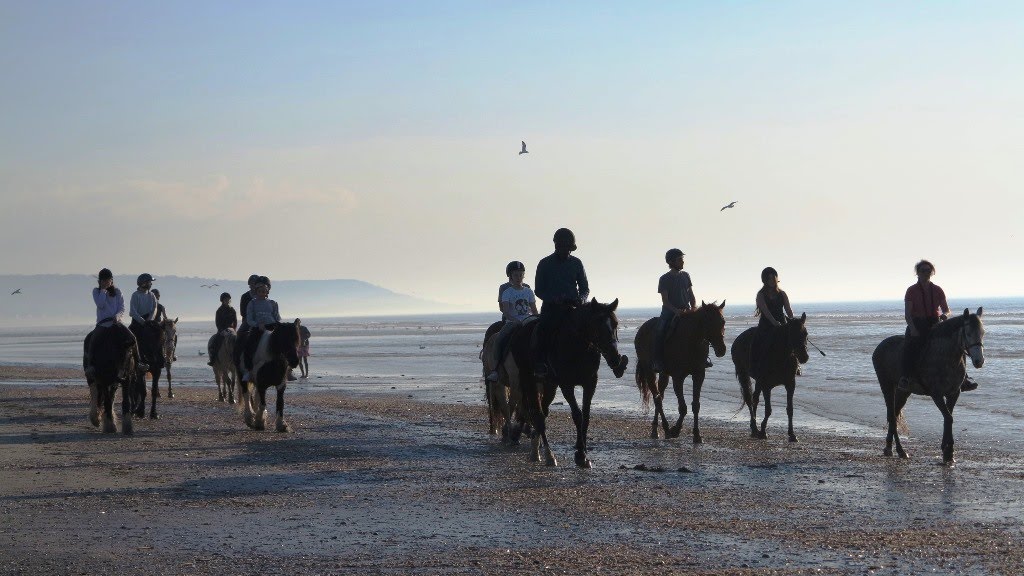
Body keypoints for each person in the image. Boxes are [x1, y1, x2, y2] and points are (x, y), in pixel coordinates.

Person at [533, 228, 627, 379]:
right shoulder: (545, 263)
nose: (567, 251)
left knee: (597, 329)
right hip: (552, 308)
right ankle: (540, 364)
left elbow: (584, 288)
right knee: (542, 329)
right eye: (565, 248)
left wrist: (582, 299)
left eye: (569, 249)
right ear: (557, 246)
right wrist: (554, 299)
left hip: (573, 307)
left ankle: (614, 364)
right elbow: (539, 290)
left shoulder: (576, 263)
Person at [898, 260, 978, 392]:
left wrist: (945, 315)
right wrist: (912, 329)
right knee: (909, 348)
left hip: (935, 323)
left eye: (928, 271)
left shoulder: (937, 289)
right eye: (923, 270)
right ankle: (905, 378)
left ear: (932, 273)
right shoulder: (911, 290)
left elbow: (946, 309)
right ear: (917, 273)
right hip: (917, 323)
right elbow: (907, 314)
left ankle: (964, 379)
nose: (926, 273)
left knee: (958, 345)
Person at [84, 268, 147, 379]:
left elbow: (122, 308)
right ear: (100, 281)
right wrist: (103, 290)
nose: (107, 282)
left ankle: (138, 362)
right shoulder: (96, 291)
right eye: (104, 281)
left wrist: (117, 317)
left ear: (112, 280)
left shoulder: (118, 292)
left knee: (132, 338)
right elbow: (100, 304)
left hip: (116, 323)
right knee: (91, 340)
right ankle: (90, 366)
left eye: (108, 280)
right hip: (102, 324)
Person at [486, 261, 538, 382]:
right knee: (500, 339)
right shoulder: (506, 290)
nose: (519, 277)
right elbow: (505, 311)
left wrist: (537, 318)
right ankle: (496, 369)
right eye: (516, 275)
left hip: (528, 320)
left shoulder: (528, 290)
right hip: (512, 321)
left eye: (521, 275)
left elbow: (534, 309)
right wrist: (516, 320)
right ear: (510, 276)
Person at [651, 248, 697, 372]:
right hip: (670, 311)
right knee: (660, 331)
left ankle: (703, 358)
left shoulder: (686, 275)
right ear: (672, 262)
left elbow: (691, 294)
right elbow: (665, 301)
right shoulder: (664, 279)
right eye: (680, 259)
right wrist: (676, 311)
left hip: (686, 310)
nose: (683, 262)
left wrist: (693, 307)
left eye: (682, 259)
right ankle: (657, 361)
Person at [750, 267, 794, 380]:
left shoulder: (782, 294)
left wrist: (793, 321)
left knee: (794, 341)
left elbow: (788, 310)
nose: (771, 280)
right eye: (769, 278)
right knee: (758, 343)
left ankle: (795, 366)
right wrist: (774, 323)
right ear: (765, 280)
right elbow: (766, 312)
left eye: (773, 278)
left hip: (782, 324)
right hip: (766, 325)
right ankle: (755, 366)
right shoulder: (760, 295)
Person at [242, 281, 281, 381]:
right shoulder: (252, 303)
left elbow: (277, 317)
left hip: (271, 326)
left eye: (264, 291)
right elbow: (249, 319)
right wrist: (257, 325)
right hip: (258, 328)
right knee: (248, 347)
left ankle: (288, 370)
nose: (262, 293)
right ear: (256, 292)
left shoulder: (273, 303)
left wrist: (277, 325)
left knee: (284, 344)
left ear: (267, 292)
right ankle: (248, 371)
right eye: (260, 291)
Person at [207, 292, 237, 366]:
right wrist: (222, 331)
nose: (227, 301)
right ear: (222, 300)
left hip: (231, 330)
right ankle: (213, 359)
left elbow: (235, 321)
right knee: (215, 342)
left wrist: (234, 330)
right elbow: (218, 323)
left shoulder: (232, 310)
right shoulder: (219, 311)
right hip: (222, 330)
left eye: (229, 299)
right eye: (226, 299)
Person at [151, 288, 176, 360]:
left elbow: (165, 317)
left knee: (174, 335)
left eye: (157, 296)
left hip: (159, 324)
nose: (157, 297)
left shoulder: (161, 306)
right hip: (153, 324)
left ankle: (172, 354)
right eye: (156, 296)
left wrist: (169, 321)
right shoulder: (149, 306)